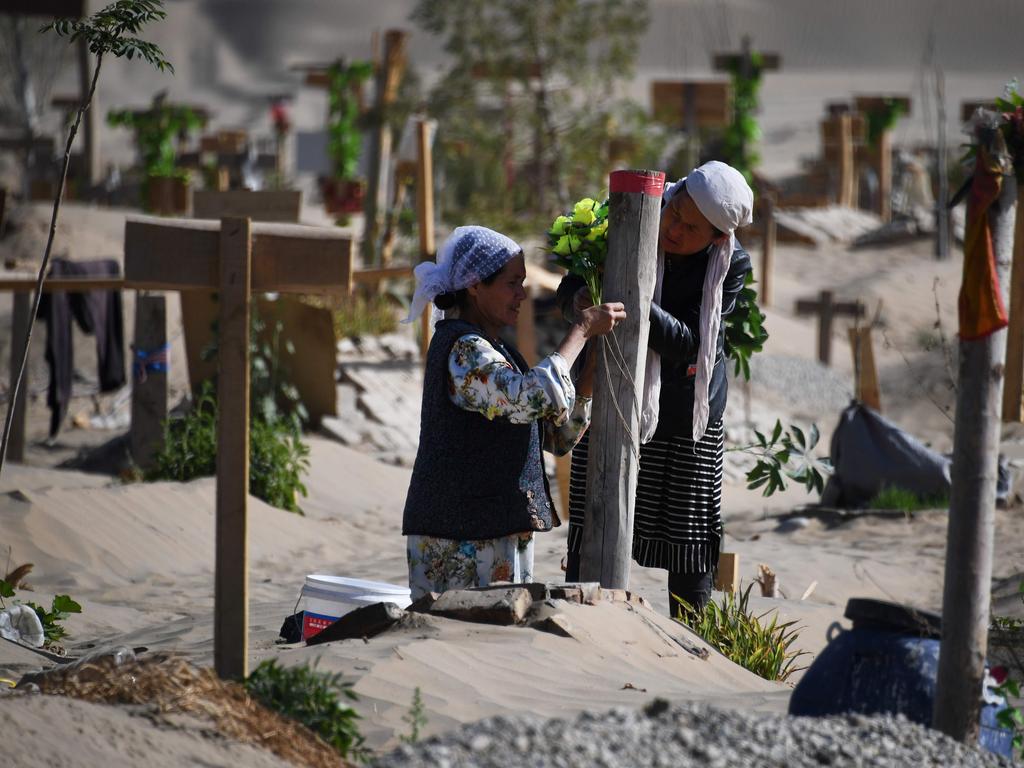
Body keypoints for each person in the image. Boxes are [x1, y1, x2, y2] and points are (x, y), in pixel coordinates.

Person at [559, 161, 753, 616]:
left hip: (688, 409)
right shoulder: (627, 217)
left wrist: (635, 296)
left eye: (691, 228)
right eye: (675, 212)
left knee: (688, 538)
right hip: (611, 389)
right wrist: (582, 300)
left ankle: (690, 638)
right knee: (594, 517)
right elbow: (568, 293)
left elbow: (690, 343)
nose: (674, 229)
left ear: (717, 239)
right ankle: (583, 618)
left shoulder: (731, 264)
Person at [401, 225, 626, 599]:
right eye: (512, 283)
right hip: (458, 537)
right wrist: (582, 329)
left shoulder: (496, 350)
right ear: (475, 285)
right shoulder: (463, 350)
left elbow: (553, 435)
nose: (522, 294)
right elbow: (528, 398)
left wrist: (588, 376)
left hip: (493, 531)